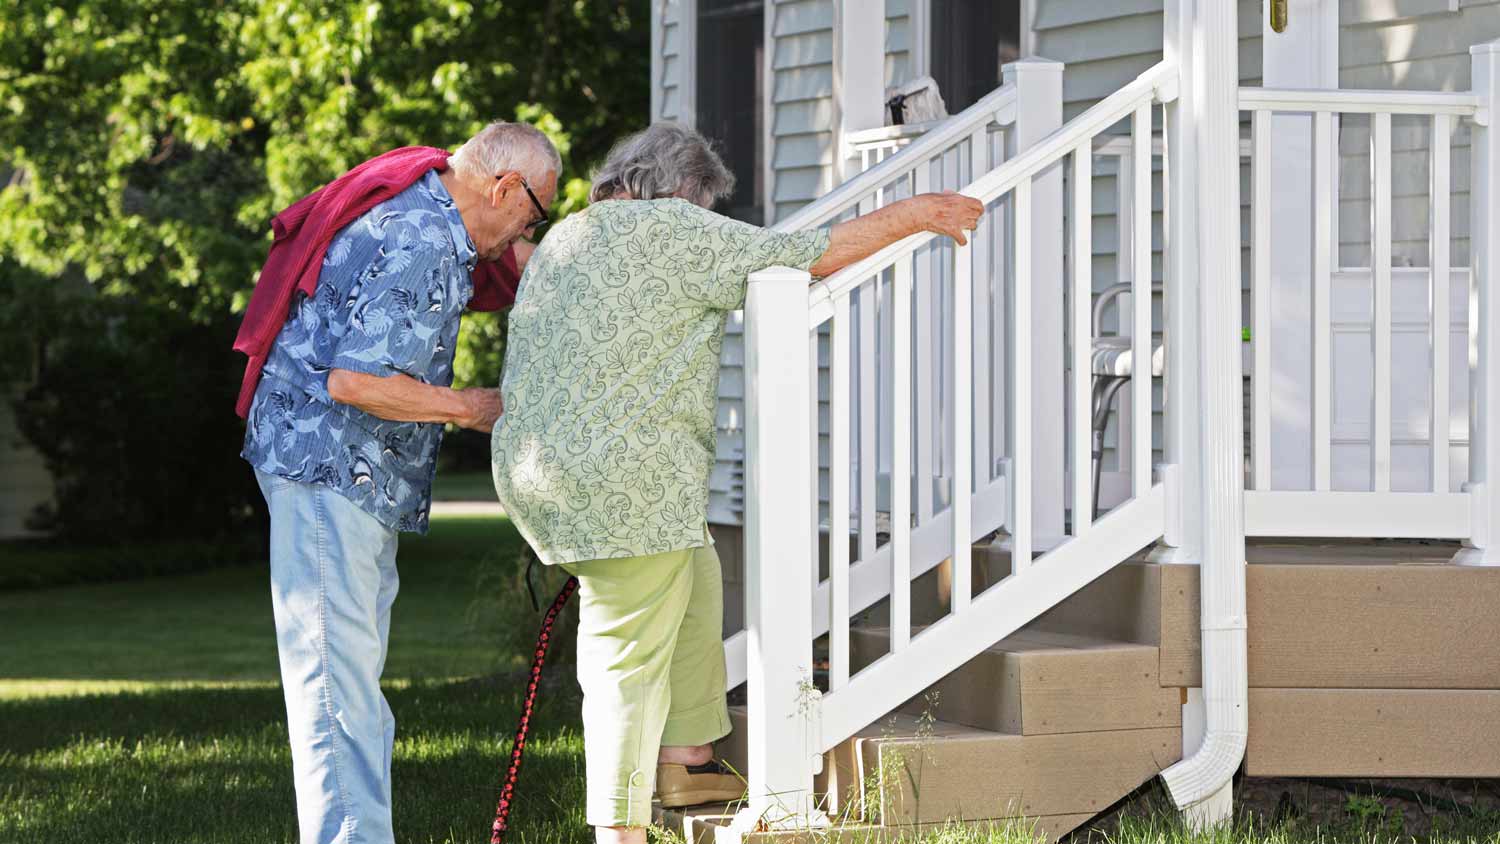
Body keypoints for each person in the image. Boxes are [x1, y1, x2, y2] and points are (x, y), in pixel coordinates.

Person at [490, 122, 982, 844]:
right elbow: (806, 256)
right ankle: (617, 829)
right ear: (683, 192)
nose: (707, 218)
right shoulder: (676, 231)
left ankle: (688, 759)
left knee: (696, 573)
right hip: (629, 491)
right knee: (623, 657)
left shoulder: (569, 237)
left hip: (548, 478)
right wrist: (919, 214)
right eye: (706, 205)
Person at [236, 121, 560, 844]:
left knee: (349, 685)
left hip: (350, 474)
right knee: (335, 691)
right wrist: (474, 408)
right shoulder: (416, 240)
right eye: (533, 215)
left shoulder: (436, 227)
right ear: (504, 186)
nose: (523, 234)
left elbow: (527, 266)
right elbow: (355, 381)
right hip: (325, 468)